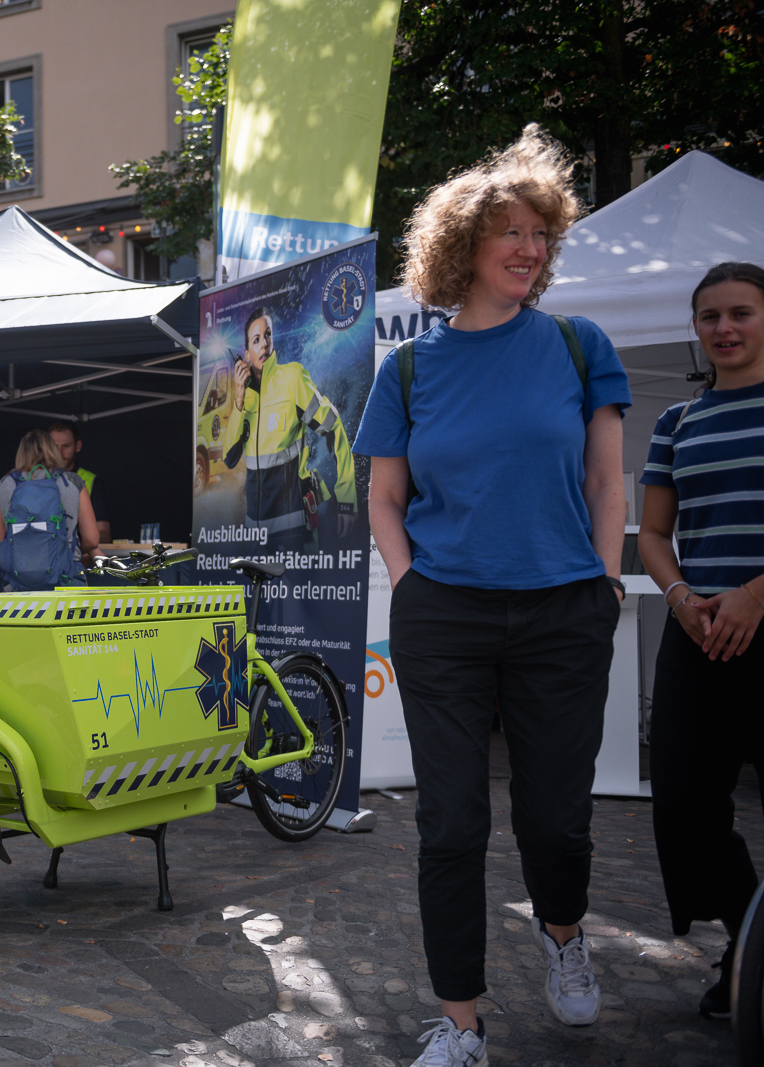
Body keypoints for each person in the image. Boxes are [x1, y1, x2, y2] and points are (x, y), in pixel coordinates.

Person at [353, 124, 630, 1067]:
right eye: (509, 231)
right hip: (444, 616)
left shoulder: (577, 343)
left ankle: (563, 933)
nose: (527, 248)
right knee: (451, 821)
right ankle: (461, 1022)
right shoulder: (411, 368)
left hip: (563, 610)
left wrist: (599, 578)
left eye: (539, 233)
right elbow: (384, 497)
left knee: (554, 815)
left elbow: (607, 482)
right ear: (461, 245)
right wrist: (408, 581)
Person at [641, 262, 764, 1020]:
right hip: (699, 634)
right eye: (711, 316)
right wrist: (682, 596)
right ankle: (753, 940)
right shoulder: (676, 423)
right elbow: (655, 533)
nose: (725, 328)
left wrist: (756, 594)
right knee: (683, 807)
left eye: (742, 313)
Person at [223, 305, 358, 549]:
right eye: (256, 340)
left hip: (295, 528)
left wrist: (347, 499)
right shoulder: (245, 402)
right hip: (256, 535)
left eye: (268, 335)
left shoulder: (293, 379)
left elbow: (333, 427)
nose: (264, 344)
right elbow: (229, 458)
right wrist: (238, 401)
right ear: (247, 353)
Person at [0, 428, 98, 590]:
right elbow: (91, 540)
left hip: (18, 582)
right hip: (67, 579)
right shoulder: (72, 482)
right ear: (52, 450)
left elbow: (1, 543)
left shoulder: (5, 484)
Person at [47, 422, 109, 543]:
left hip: (77, 558)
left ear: (78, 446)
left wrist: (75, 539)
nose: (59, 452)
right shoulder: (33, 479)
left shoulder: (91, 481)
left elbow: (104, 534)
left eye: (66, 446)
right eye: (54, 446)